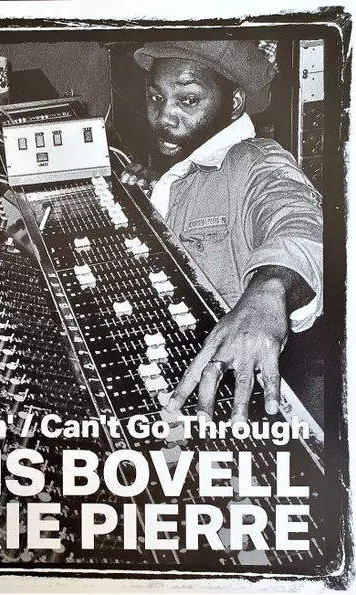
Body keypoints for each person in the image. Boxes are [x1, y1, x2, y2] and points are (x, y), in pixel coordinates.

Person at [121, 40, 323, 423]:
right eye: (156, 97)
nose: (164, 118)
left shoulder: (258, 160)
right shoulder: (181, 164)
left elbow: (301, 222)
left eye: (188, 100)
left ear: (234, 103)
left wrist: (269, 290)